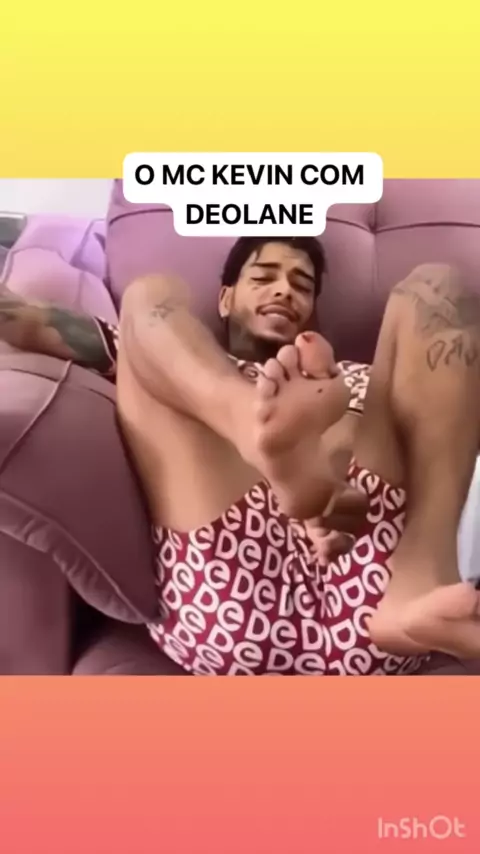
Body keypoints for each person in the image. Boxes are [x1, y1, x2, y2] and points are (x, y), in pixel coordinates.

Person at [1, 237, 480, 675]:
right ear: (226, 298)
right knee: (148, 297)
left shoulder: (356, 377)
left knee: (437, 285)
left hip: (377, 578)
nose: (284, 289)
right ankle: (250, 424)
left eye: (302, 285)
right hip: (232, 578)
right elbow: (26, 320)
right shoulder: (162, 354)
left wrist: (335, 471)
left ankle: (419, 572)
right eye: (264, 276)